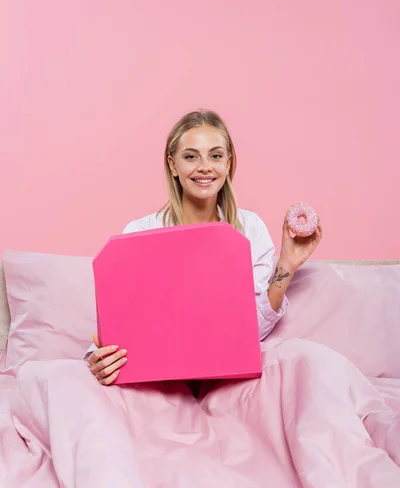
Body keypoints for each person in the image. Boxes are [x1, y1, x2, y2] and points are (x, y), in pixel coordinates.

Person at [87, 109, 322, 385]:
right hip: (159, 380)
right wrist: (97, 358)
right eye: (190, 156)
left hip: (227, 379)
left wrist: (286, 266)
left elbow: (251, 331)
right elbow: (123, 323)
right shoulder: (139, 232)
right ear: (173, 165)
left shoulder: (249, 228)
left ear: (228, 163)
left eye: (215, 155)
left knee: (310, 366)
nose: (204, 166)